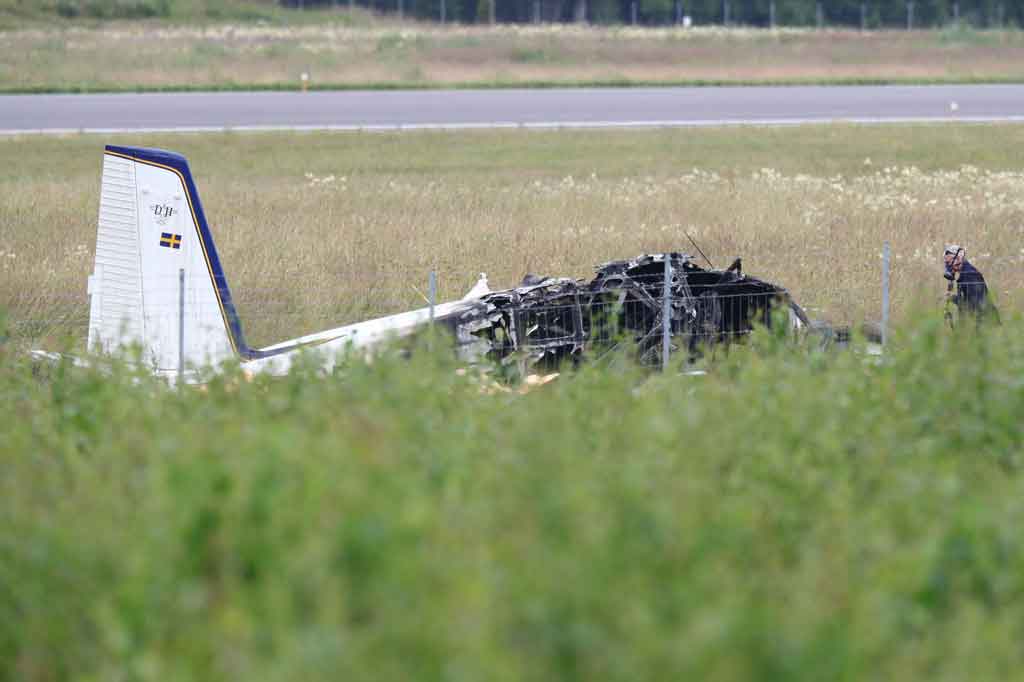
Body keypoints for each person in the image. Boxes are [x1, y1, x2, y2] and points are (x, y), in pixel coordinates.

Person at [943, 244, 997, 325]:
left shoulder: (970, 275)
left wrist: (953, 298)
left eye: (949, 262)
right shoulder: (964, 274)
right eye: (946, 263)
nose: (947, 266)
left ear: (958, 259)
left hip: (987, 325)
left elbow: (975, 306)